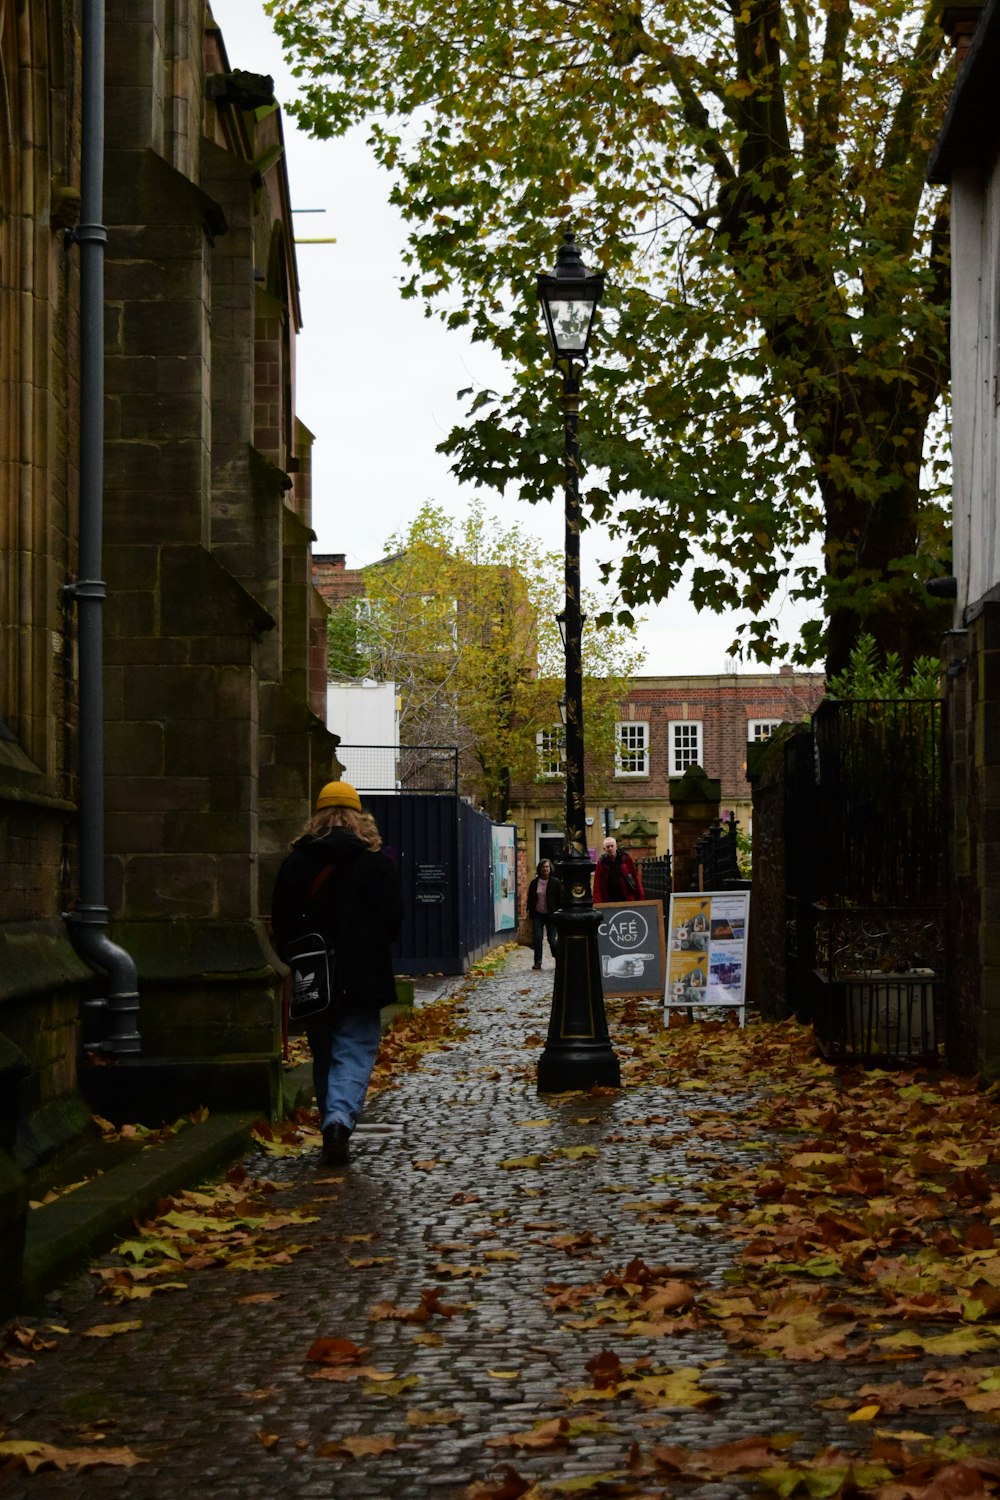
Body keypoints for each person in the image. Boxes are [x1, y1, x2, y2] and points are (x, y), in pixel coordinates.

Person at [270, 781, 403, 1167]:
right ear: (359, 816)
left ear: (318, 815)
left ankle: (332, 1118)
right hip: (363, 973)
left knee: (324, 1050)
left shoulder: (296, 862)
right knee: (356, 1048)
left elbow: (282, 922)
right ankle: (338, 1122)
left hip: (315, 976)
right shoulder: (376, 863)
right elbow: (392, 921)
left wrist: (300, 961)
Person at [526, 858, 562, 971]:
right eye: (543, 867)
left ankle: (558, 959)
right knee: (537, 938)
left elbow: (560, 899)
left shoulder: (556, 882)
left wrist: (558, 912)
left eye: (547, 867)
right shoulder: (534, 883)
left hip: (551, 915)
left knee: (552, 939)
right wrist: (529, 912)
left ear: (550, 868)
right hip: (538, 914)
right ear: (539, 869)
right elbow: (530, 898)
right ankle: (538, 961)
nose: (545, 869)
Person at [593, 836, 645, 903]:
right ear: (604, 849)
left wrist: (640, 896)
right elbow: (597, 883)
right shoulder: (601, 863)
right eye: (608, 847)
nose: (610, 848)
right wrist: (598, 902)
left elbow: (635, 876)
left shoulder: (626, 858)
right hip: (609, 898)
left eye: (612, 846)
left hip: (626, 896)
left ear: (616, 847)